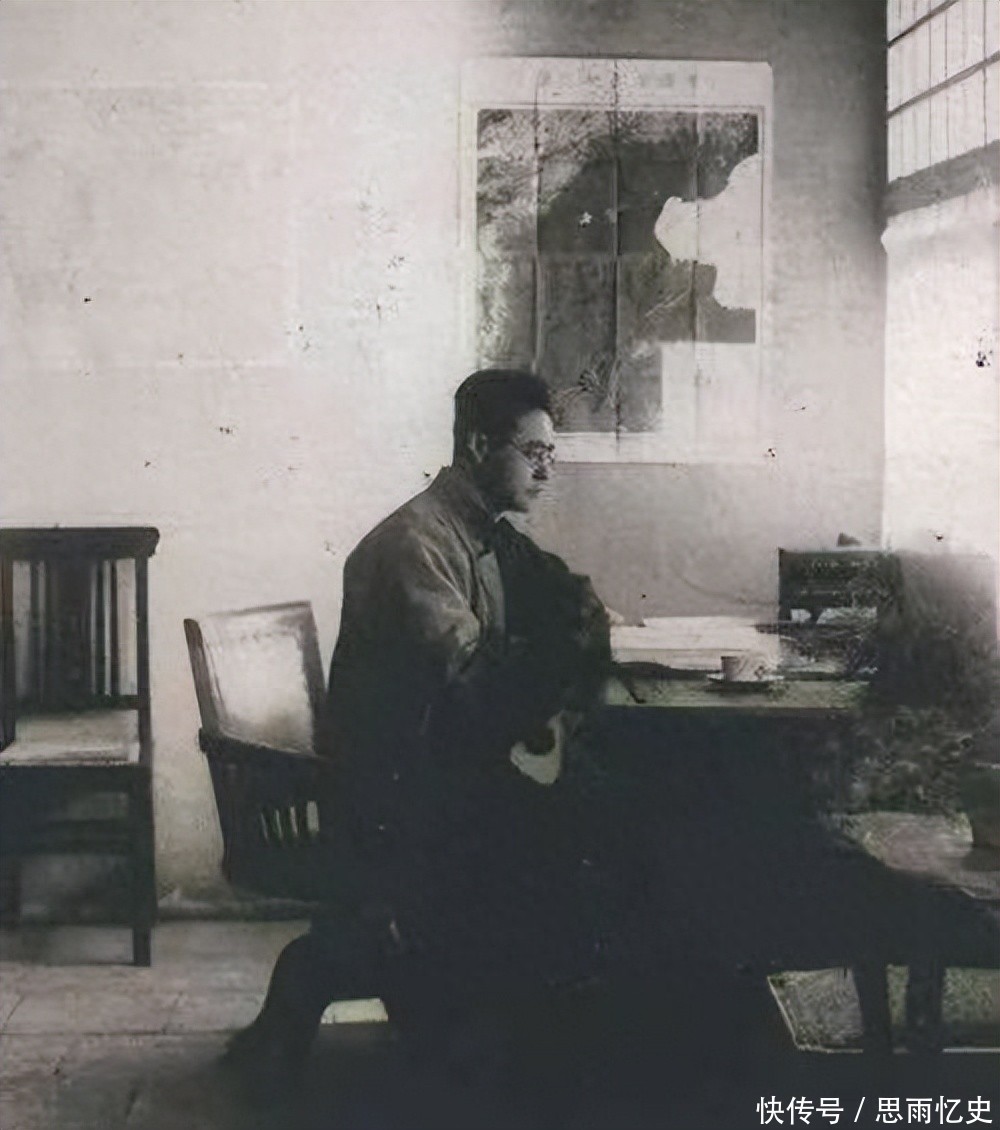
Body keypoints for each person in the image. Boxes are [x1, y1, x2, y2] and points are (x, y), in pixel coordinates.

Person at [224, 369, 621, 1093]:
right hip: (391, 800)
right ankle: (526, 1036)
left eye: (551, 456)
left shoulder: (480, 531)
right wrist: (563, 657)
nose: (546, 471)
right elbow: (474, 691)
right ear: (479, 447)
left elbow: (567, 594)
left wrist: (574, 623)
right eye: (534, 453)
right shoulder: (416, 545)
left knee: (592, 817)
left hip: (433, 782)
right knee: (585, 831)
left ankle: (528, 1019)